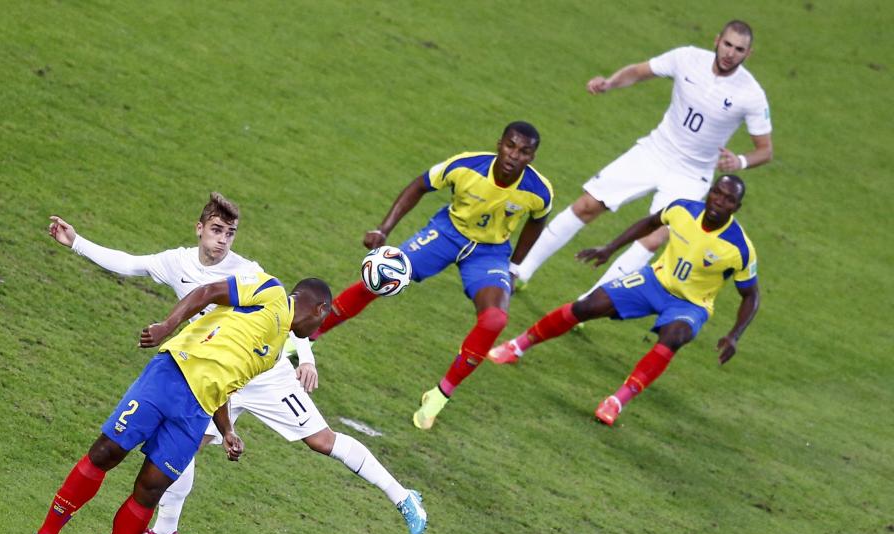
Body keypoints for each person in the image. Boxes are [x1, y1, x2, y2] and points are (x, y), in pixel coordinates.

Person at [45, 195, 427, 534]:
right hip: (211, 376)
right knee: (181, 451)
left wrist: (305, 357)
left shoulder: (248, 271)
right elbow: (130, 263)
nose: (222, 241)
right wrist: (76, 241)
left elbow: (292, 313)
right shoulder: (176, 264)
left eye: (229, 234)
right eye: (216, 231)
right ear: (199, 229)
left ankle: (401, 495)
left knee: (321, 440)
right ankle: (165, 530)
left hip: (264, 376)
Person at [17, 253, 333, 534]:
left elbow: (225, 385)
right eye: (323, 320)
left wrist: (228, 429)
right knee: (105, 452)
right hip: (170, 375)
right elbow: (209, 291)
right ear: (320, 308)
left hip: (197, 413)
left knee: (149, 491)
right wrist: (168, 325)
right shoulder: (272, 291)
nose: (316, 330)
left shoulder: (276, 352)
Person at [310, 122, 554, 429]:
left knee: (495, 320)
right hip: (445, 234)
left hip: (489, 254)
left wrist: (514, 266)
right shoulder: (466, 165)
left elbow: (537, 221)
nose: (514, 155)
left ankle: (439, 395)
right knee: (381, 279)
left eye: (524, 151)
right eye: (510, 146)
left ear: (532, 157)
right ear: (499, 143)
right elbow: (419, 185)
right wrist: (383, 229)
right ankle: (307, 337)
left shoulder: (539, 191)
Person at [513, 20, 772, 297]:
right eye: (728, 44)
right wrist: (610, 83)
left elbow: (765, 149)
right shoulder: (687, 58)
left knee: (652, 238)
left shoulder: (751, 95)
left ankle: (588, 303)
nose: (730, 53)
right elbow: (639, 71)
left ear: (748, 54)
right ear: (717, 40)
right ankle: (520, 271)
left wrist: (741, 161)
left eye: (739, 49)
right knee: (588, 204)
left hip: (692, 175)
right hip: (653, 151)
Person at [489, 175, 759, 425]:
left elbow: (751, 295)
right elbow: (650, 223)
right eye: (717, 193)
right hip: (654, 281)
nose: (719, 202)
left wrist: (735, 335)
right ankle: (517, 346)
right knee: (587, 306)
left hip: (690, 305)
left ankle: (616, 401)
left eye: (728, 200)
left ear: (737, 207)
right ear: (710, 192)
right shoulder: (682, 209)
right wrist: (609, 248)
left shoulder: (739, 248)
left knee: (675, 336)